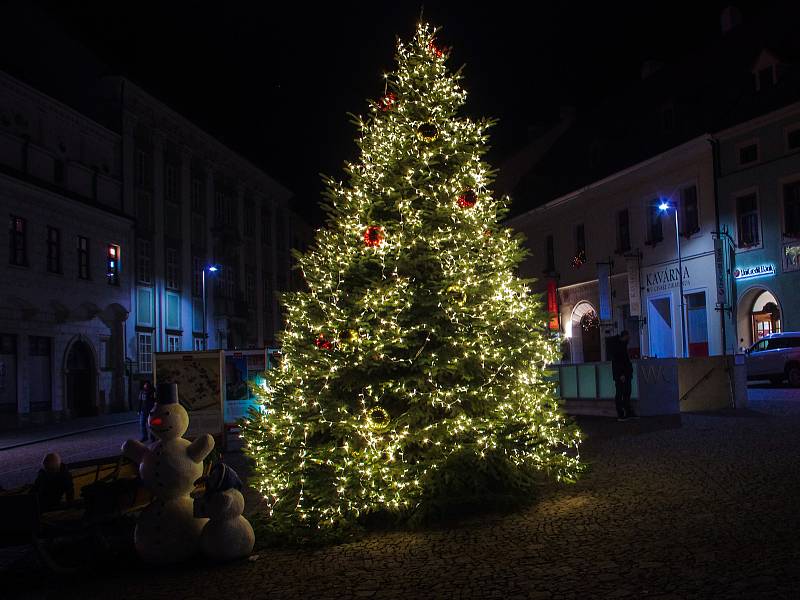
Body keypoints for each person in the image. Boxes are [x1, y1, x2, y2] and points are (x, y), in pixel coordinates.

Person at [610, 330, 637, 421]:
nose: (629, 339)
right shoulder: (619, 347)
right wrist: (621, 374)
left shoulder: (619, 345)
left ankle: (625, 413)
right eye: (628, 337)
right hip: (622, 375)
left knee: (625, 393)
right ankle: (622, 414)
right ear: (625, 336)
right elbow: (618, 362)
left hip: (623, 374)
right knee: (622, 393)